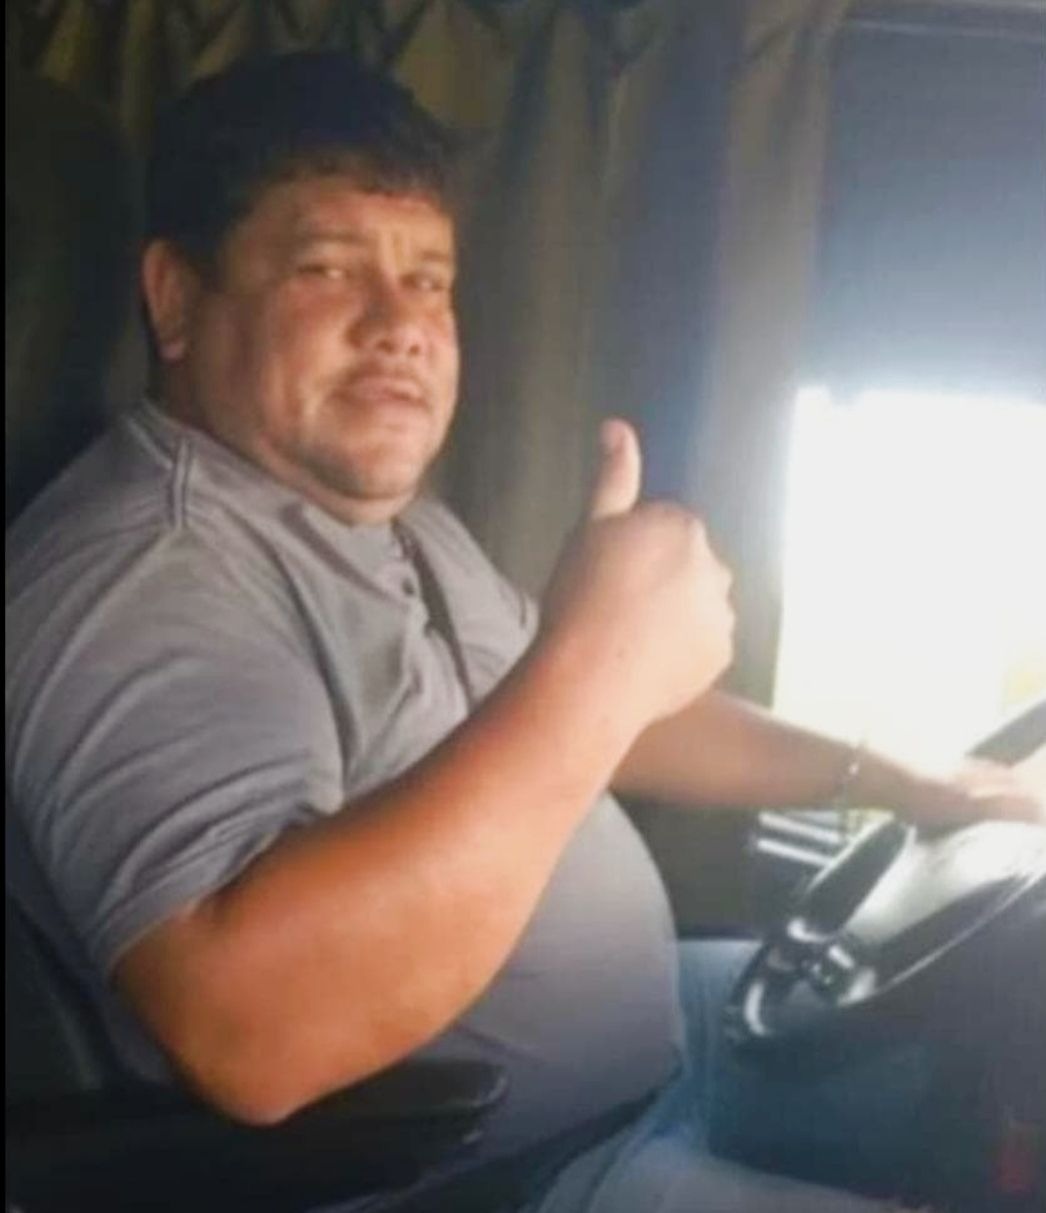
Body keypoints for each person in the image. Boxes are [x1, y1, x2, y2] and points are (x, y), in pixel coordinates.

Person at [6, 52, 1042, 1213]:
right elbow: (253, 1035)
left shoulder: (389, 521)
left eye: (429, 281)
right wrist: (598, 663)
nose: (400, 326)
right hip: (509, 1170)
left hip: (664, 1051)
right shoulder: (141, 576)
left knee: (998, 1034)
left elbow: (606, 724)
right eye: (326, 269)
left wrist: (895, 778)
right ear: (174, 300)